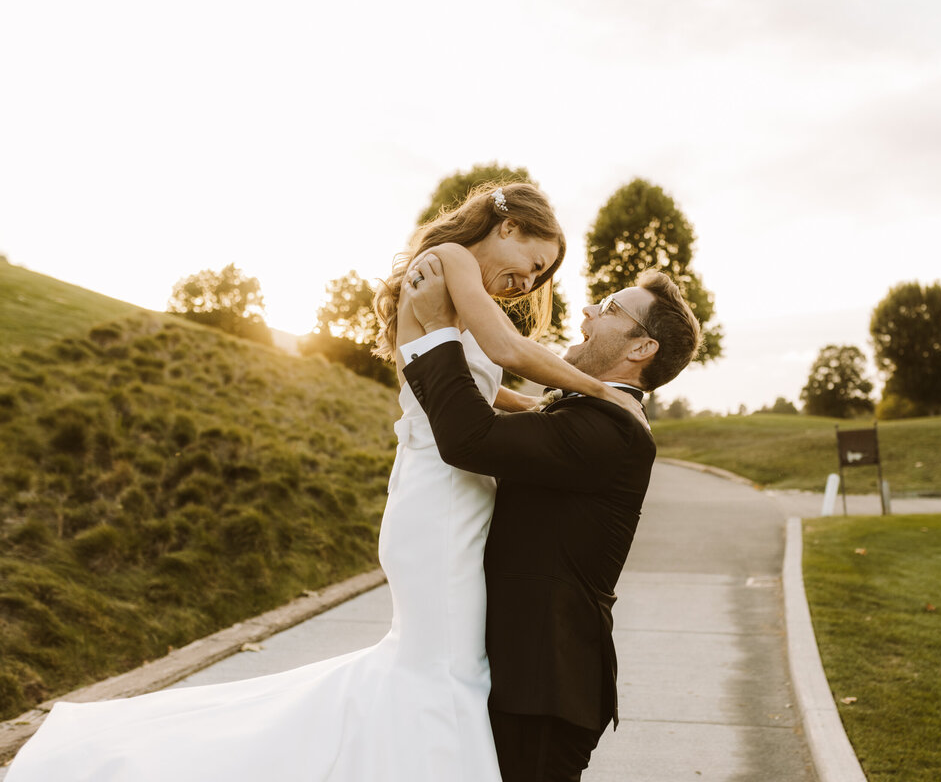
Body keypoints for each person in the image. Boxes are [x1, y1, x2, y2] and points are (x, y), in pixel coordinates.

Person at [6, 182, 645, 782]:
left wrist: (535, 409)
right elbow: (504, 348)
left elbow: (482, 381)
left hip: (450, 497)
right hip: (442, 503)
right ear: (505, 225)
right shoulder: (450, 259)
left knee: (440, 670)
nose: (528, 280)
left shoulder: (452, 285)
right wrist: (598, 392)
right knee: (443, 672)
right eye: (532, 262)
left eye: (538, 276)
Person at [398, 253, 701, 782]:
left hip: (544, 686)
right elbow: (487, 415)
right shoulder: (589, 414)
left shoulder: (612, 430)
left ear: (641, 347)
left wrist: (440, 328)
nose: (586, 310)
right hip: (526, 679)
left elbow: (469, 437)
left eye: (607, 308)